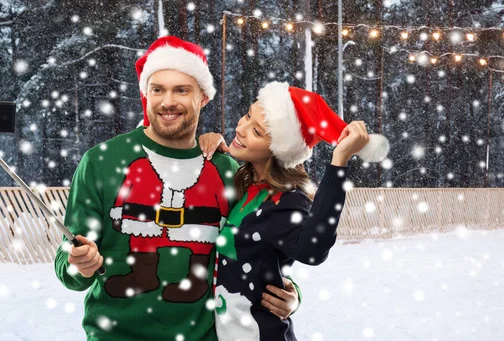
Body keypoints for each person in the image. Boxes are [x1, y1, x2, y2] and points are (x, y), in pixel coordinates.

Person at [54, 36, 301, 341]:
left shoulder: (227, 171)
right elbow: (70, 267)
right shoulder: (101, 162)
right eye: (158, 89)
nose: (167, 101)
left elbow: (262, 251)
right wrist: (80, 264)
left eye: (181, 90)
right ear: (147, 94)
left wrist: (290, 295)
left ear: (203, 98)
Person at [198, 81, 389, 341]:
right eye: (246, 115)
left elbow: (312, 250)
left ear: (278, 149)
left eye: (256, 131)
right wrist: (207, 142)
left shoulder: (285, 201)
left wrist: (339, 161)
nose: (240, 128)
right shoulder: (242, 186)